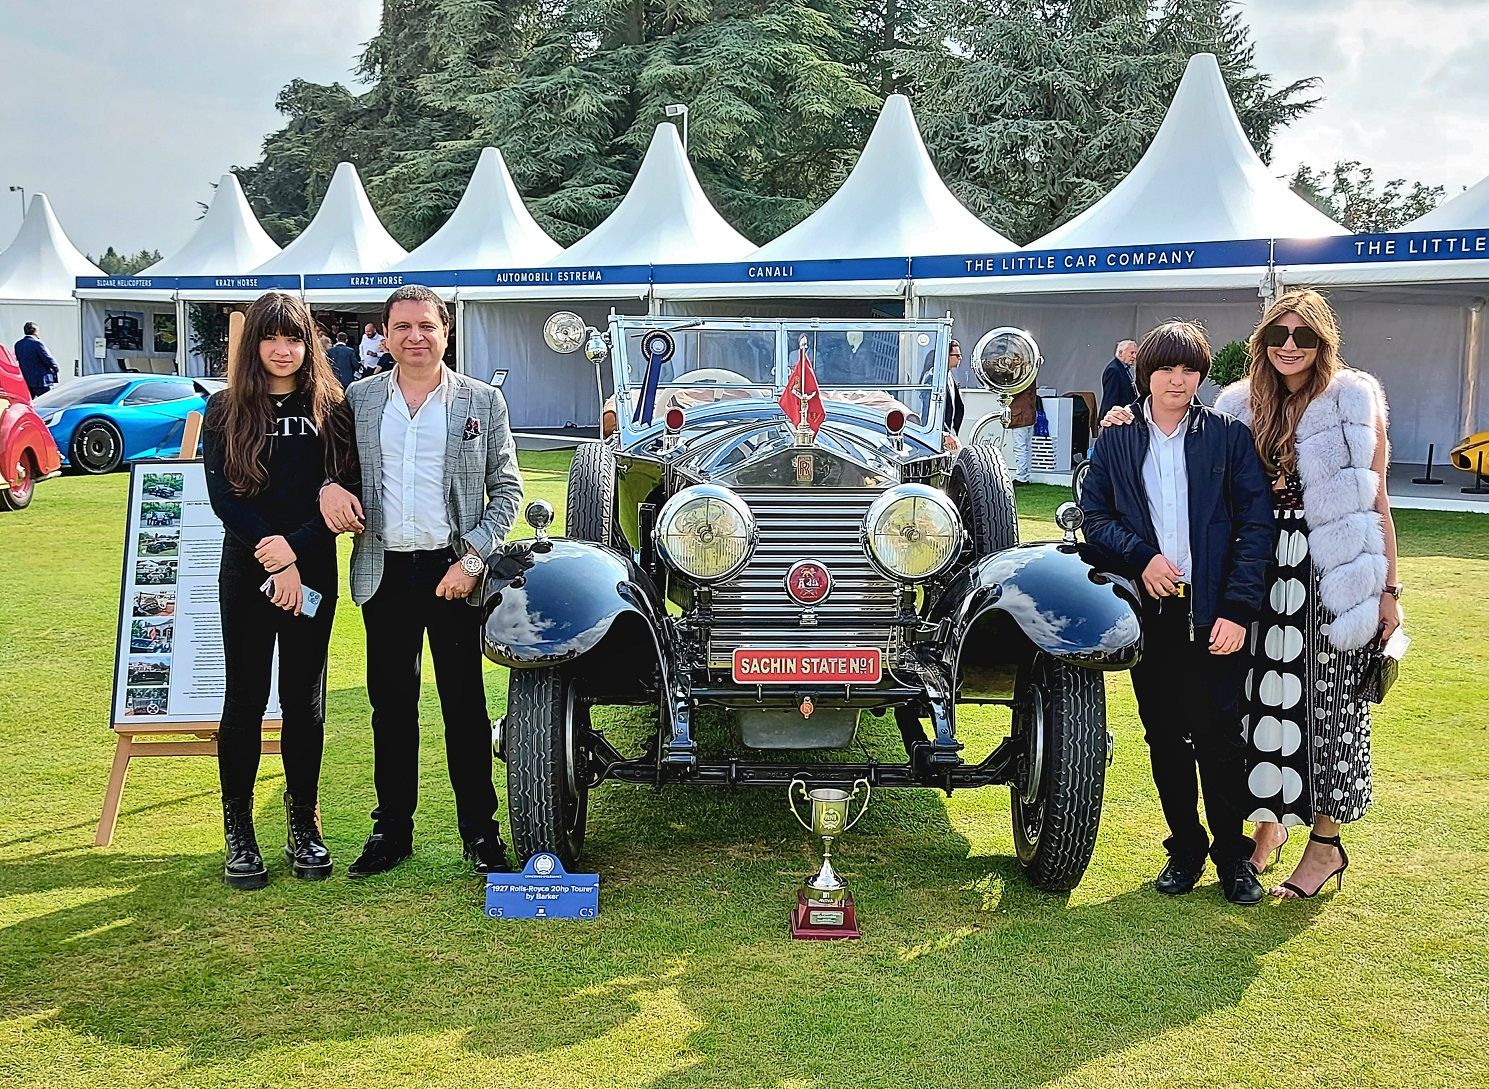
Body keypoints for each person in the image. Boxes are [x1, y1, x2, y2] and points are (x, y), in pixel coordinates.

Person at [319, 284, 524, 878]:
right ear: (383, 335)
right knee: (391, 709)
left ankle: (481, 834)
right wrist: (329, 489)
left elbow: (507, 492)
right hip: (383, 572)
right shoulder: (357, 400)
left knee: (464, 707)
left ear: (445, 332)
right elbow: (334, 470)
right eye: (402, 327)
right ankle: (392, 831)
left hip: (452, 574)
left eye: (426, 327)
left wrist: (473, 560)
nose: (414, 337)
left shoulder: (482, 402)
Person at [1080, 320, 1275, 905]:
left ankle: (1232, 858)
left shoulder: (1227, 437)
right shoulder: (1115, 438)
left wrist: (1238, 610)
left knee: (1220, 736)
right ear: (1146, 374)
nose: (1178, 380)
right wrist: (1141, 558)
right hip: (1153, 613)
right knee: (1164, 736)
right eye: (1166, 368)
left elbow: (1254, 526)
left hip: (1216, 613)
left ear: (1201, 375)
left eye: (1189, 369)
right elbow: (1094, 518)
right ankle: (1185, 849)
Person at [1220, 290, 1400, 899]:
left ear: (1324, 342)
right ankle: (1267, 827)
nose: (1290, 346)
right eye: (1279, 335)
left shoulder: (1352, 397)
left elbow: (1377, 501)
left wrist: (1389, 591)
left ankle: (1325, 846)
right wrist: (1122, 420)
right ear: (1262, 342)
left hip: (1332, 575)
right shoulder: (1239, 404)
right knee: (1263, 701)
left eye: (1303, 336)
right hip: (1261, 573)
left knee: (1329, 709)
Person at [202, 292, 350, 890]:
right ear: (253, 344)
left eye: (294, 338)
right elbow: (224, 498)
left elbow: (342, 492)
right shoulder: (224, 410)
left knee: (304, 699)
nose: (283, 350)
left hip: (312, 565)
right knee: (243, 699)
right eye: (271, 338)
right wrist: (274, 557)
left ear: (308, 343)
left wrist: (296, 551)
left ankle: (303, 823)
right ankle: (240, 830)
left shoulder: (330, 406)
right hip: (247, 569)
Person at [14, 322, 59, 396]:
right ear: (34, 331)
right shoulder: (37, 343)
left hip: (26, 380)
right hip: (41, 381)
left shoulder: (18, 344)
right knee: (46, 402)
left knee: (30, 403)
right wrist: (55, 368)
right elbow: (47, 359)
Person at [1099, 339, 1138, 419]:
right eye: (1131, 353)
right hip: (1116, 418)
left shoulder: (1123, 369)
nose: (1134, 356)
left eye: (1135, 353)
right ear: (1120, 353)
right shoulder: (1114, 370)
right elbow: (1111, 398)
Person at [1006, 385, 1036, 483]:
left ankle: (1021, 477)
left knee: (1020, 447)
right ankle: (1025, 475)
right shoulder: (1030, 376)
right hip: (1029, 415)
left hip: (1020, 415)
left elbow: (1012, 392)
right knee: (1026, 447)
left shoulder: (1020, 380)